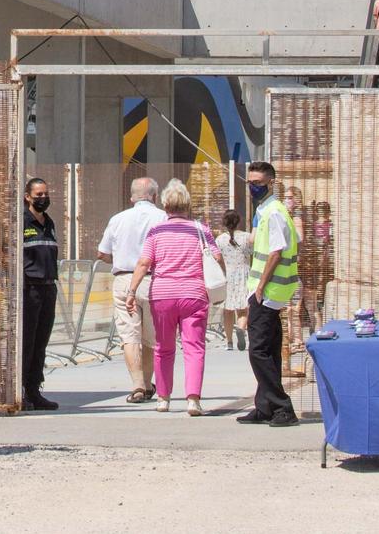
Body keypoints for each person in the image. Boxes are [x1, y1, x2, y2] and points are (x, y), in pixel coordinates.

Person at [127, 179, 219, 416]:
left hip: (163, 295)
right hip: (194, 294)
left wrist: (131, 291)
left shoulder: (156, 231)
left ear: (165, 204)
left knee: (163, 348)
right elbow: (216, 258)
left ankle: (163, 398)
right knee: (194, 347)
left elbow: (144, 262)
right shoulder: (201, 230)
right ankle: (193, 400)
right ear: (187, 205)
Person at [239, 162, 300, 427]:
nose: (253, 187)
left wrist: (261, 287)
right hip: (269, 290)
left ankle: (281, 406)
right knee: (270, 348)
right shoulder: (267, 211)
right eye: (250, 182)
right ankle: (264, 406)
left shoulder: (274, 212)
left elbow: (276, 251)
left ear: (271, 183)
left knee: (259, 350)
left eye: (258, 183)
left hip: (269, 290)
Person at [96, 177, 165, 403]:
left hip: (125, 278)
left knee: (129, 335)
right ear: (155, 196)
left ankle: (136, 384)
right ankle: (146, 383)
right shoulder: (163, 218)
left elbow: (102, 253)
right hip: (155, 280)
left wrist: (121, 258)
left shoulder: (118, 219)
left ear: (132, 197)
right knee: (151, 338)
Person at [21, 177, 60, 410]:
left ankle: (35, 389)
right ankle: (22, 390)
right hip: (29, 287)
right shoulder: (23, 222)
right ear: (28, 197)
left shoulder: (49, 222)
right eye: (38, 195)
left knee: (41, 342)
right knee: (27, 341)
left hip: (48, 287)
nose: (43, 198)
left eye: (45, 194)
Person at [215, 209, 252, 351]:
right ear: (239, 222)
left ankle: (229, 342)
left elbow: (216, 257)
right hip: (243, 273)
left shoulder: (220, 240)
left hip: (226, 274)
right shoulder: (246, 237)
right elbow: (251, 252)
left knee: (227, 310)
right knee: (243, 309)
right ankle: (241, 329)